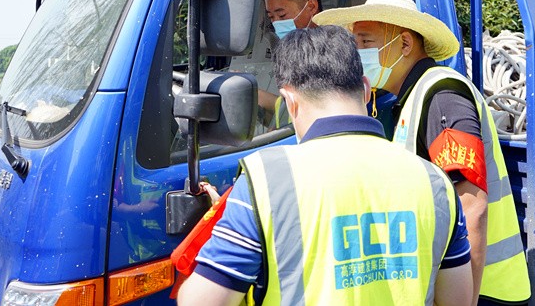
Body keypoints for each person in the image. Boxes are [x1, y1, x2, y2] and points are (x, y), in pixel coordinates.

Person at [177, 26, 473, 306]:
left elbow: (198, 301)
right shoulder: (434, 181)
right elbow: (457, 299)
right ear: (366, 89)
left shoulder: (266, 181)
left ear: (289, 101)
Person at [313, 0, 531, 306]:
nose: (358, 54)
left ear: (404, 44)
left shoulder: (442, 94)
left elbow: (472, 206)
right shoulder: (411, 98)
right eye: (355, 44)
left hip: (484, 292)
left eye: (366, 42)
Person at [257, 0, 322, 120]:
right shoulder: (293, 51)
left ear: (311, 7)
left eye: (282, 15)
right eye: (271, 17)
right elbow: (293, 110)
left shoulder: (332, 52)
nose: (277, 24)